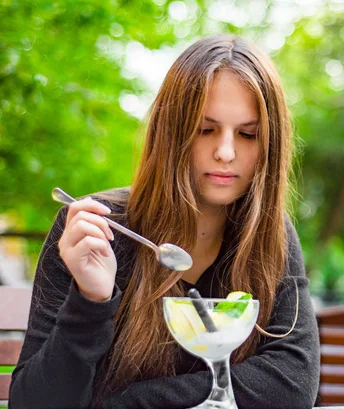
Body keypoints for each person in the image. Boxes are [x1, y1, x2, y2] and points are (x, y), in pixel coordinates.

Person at [9, 34, 320, 409]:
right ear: (171, 133)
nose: (225, 152)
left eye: (247, 134)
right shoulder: (96, 232)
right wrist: (91, 302)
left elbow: (291, 382)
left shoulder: (270, 235)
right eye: (206, 129)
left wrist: (127, 403)